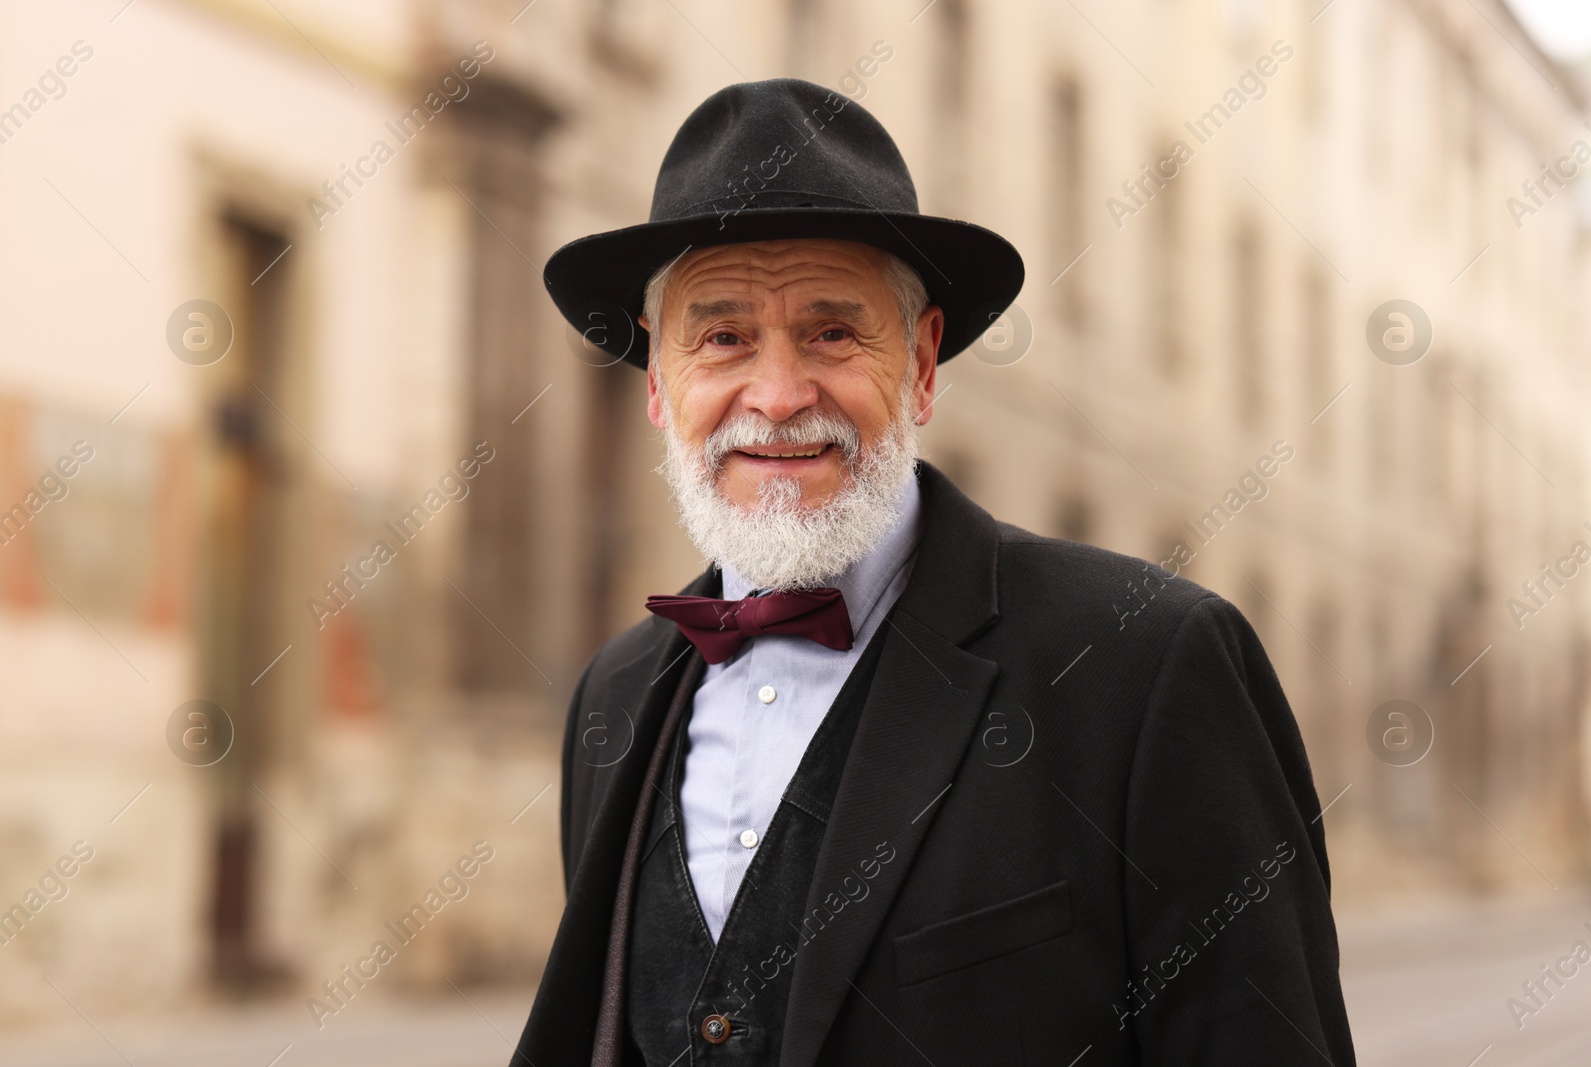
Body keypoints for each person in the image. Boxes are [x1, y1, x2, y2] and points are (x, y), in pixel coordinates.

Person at [512, 77, 1355, 1067]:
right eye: (724, 336)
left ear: (919, 363)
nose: (778, 396)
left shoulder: (1149, 664)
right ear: (658, 380)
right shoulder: (612, 697)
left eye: (832, 331)